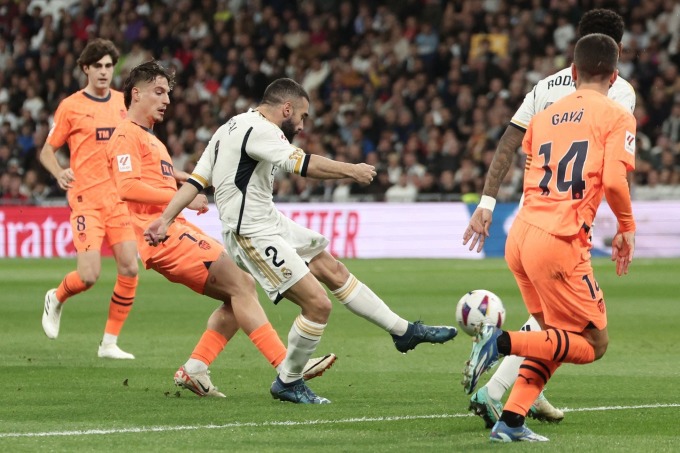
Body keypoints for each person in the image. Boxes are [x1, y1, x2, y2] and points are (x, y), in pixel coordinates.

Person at [145, 77, 458, 403]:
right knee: (317, 304)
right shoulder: (262, 131)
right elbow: (304, 164)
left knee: (332, 269)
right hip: (251, 232)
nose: (303, 124)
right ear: (287, 108)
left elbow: (196, 182)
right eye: (303, 116)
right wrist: (351, 170)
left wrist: (164, 220)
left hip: (270, 221)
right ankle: (289, 381)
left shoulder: (228, 128)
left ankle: (402, 331)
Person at [105, 61, 336, 398]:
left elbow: (152, 178)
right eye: (158, 92)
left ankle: (196, 367)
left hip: (174, 231)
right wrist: (181, 198)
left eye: (168, 92)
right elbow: (126, 187)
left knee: (237, 293)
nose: (166, 99)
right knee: (241, 283)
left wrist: (181, 178)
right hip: (163, 237)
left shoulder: (148, 139)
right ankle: (286, 367)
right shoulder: (126, 134)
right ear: (135, 94)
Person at [461, 8, 636, 428]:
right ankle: (499, 348)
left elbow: (512, 140)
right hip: (563, 231)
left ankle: (513, 411)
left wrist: (486, 202)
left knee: (551, 327)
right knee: (588, 338)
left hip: (524, 224)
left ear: (574, 55)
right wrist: (626, 226)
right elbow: (612, 170)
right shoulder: (621, 94)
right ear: (616, 59)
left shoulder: (544, 89)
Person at [40, 38, 138, 359]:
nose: (104, 72)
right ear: (86, 68)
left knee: (129, 268)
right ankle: (56, 297)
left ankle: (109, 343)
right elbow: (47, 151)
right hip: (86, 199)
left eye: (109, 66)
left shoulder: (124, 104)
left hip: (118, 200)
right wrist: (59, 173)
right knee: (88, 276)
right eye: (98, 66)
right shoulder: (71, 106)